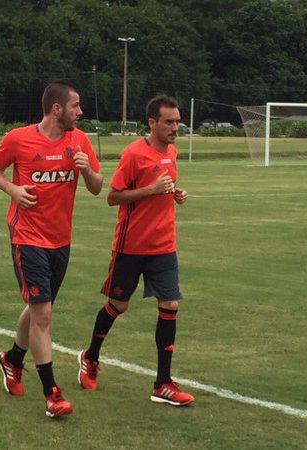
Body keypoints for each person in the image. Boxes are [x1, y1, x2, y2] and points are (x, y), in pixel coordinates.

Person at [0, 80, 103, 418]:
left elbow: (98, 187)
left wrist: (86, 172)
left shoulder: (78, 141)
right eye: (75, 106)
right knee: (43, 313)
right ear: (57, 109)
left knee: (40, 307)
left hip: (61, 240)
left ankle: (12, 360)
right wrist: (13, 190)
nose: (80, 112)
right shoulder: (19, 139)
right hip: (27, 237)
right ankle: (52, 393)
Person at [77, 95, 195, 407]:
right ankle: (90, 358)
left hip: (164, 246)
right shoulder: (133, 155)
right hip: (131, 246)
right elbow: (113, 197)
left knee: (170, 304)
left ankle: (163, 383)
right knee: (118, 304)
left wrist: (173, 194)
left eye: (177, 121)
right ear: (152, 123)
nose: (175, 127)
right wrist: (151, 190)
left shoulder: (172, 152)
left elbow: (162, 189)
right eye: (168, 122)